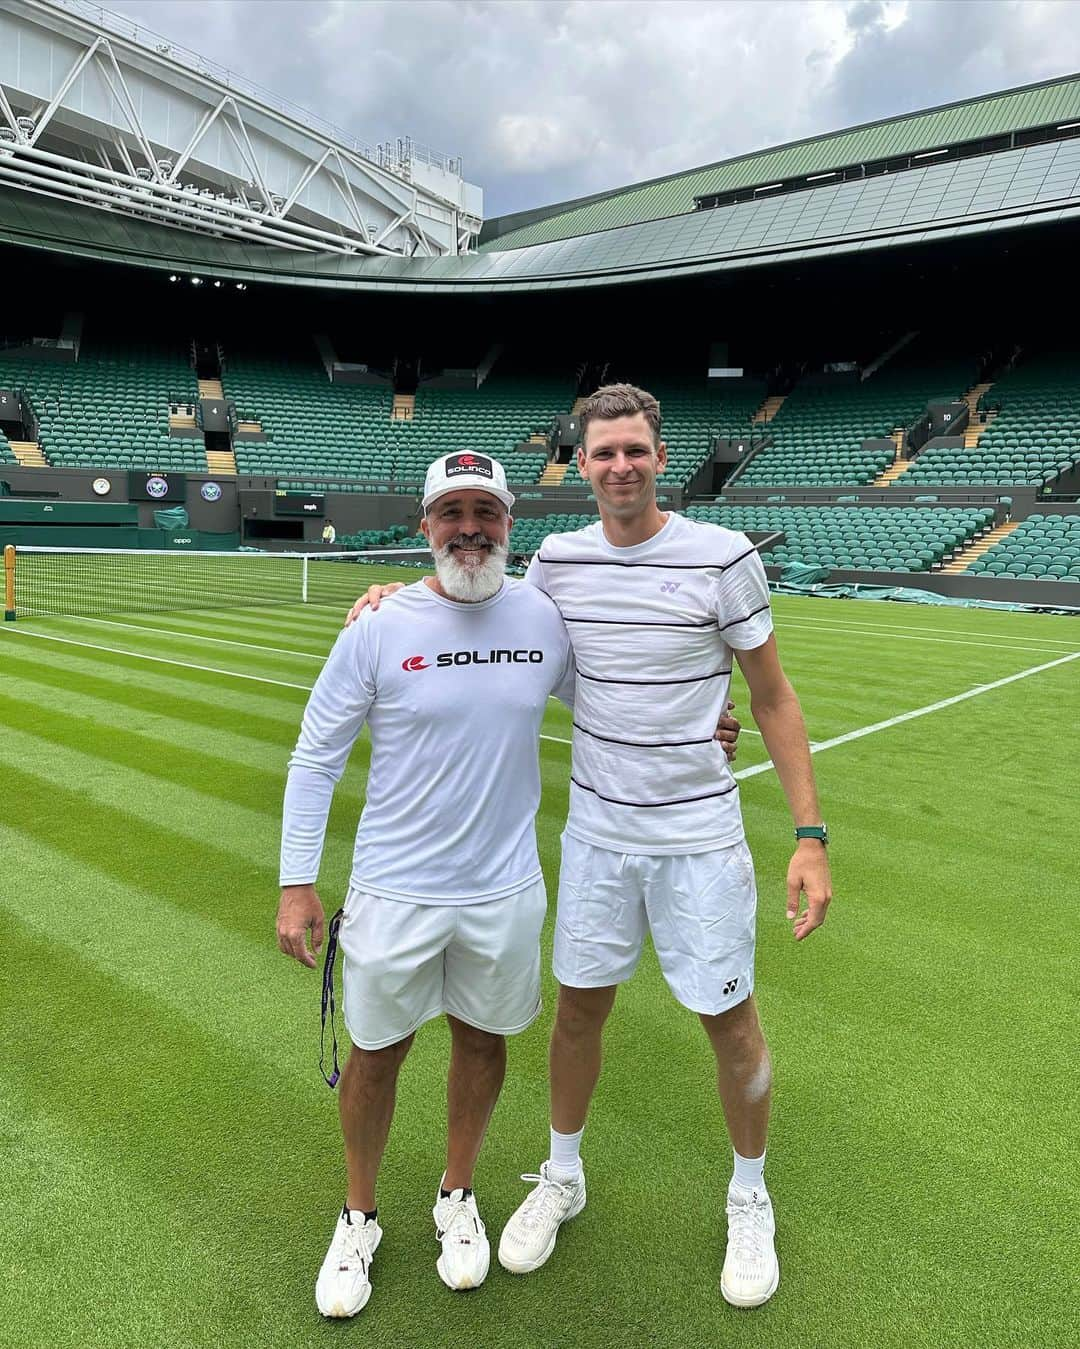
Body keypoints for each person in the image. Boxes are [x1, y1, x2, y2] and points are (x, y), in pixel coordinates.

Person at [349, 384, 832, 1309]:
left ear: (661, 455)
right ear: (581, 463)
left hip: (698, 836)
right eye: (603, 452)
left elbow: (772, 697)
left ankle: (748, 1193)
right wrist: (383, 598)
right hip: (599, 835)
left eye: (635, 450)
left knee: (730, 1024)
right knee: (577, 1014)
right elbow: (484, 617)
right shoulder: (557, 564)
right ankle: (561, 1176)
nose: (620, 466)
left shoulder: (723, 557)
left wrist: (809, 835)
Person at [279, 449, 741, 1319]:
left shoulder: (541, 615)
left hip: (504, 891)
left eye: (484, 512)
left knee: (484, 1043)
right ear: (425, 527)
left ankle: (458, 1194)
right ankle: (359, 1213)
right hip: (393, 890)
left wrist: (697, 724)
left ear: (508, 525)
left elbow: (608, 695)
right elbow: (315, 756)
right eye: (451, 513)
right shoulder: (376, 625)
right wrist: (297, 884)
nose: (469, 529)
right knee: (378, 1055)